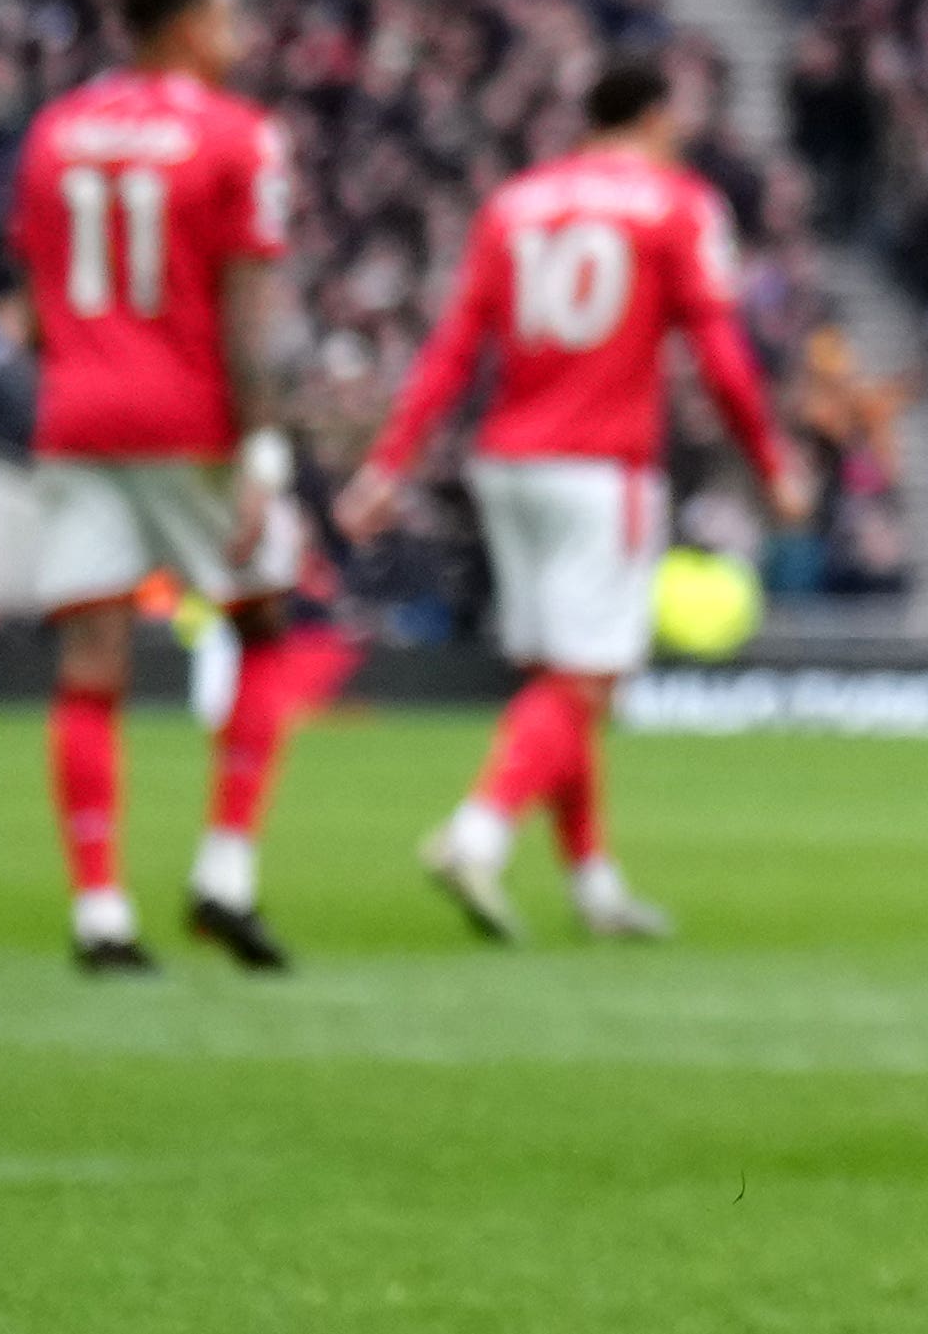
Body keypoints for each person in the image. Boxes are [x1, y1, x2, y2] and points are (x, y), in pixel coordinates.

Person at [344, 55, 811, 946]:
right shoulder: (677, 204)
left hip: (507, 463)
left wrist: (390, 461)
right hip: (601, 466)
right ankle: (477, 831)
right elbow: (720, 352)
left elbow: (454, 343)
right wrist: (771, 460)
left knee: (560, 685)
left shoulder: (515, 202)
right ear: (657, 114)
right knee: (588, 682)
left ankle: (594, 885)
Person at [8, 0, 335, 976]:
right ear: (189, 24)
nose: (238, 29)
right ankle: (225, 872)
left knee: (91, 665)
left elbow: (35, 286)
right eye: (228, 11)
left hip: (77, 414)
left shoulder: (55, 128)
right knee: (264, 620)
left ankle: (100, 909)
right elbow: (248, 303)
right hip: (190, 419)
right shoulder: (238, 132)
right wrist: (264, 441)